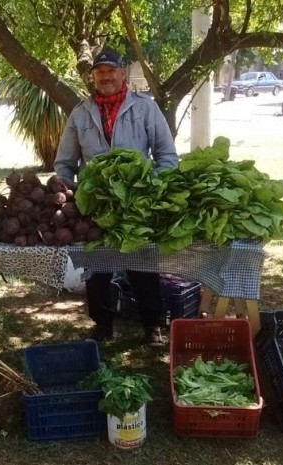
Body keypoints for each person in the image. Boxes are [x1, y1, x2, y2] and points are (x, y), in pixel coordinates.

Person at [53, 47, 178, 347]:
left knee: (143, 265)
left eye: (111, 70)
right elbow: (65, 162)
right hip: (94, 207)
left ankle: (152, 325)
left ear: (122, 73)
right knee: (97, 268)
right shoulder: (80, 113)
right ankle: (102, 324)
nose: (105, 76)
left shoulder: (145, 107)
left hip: (137, 205)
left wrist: (150, 190)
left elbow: (166, 156)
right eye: (100, 72)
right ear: (93, 76)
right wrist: (67, 193)